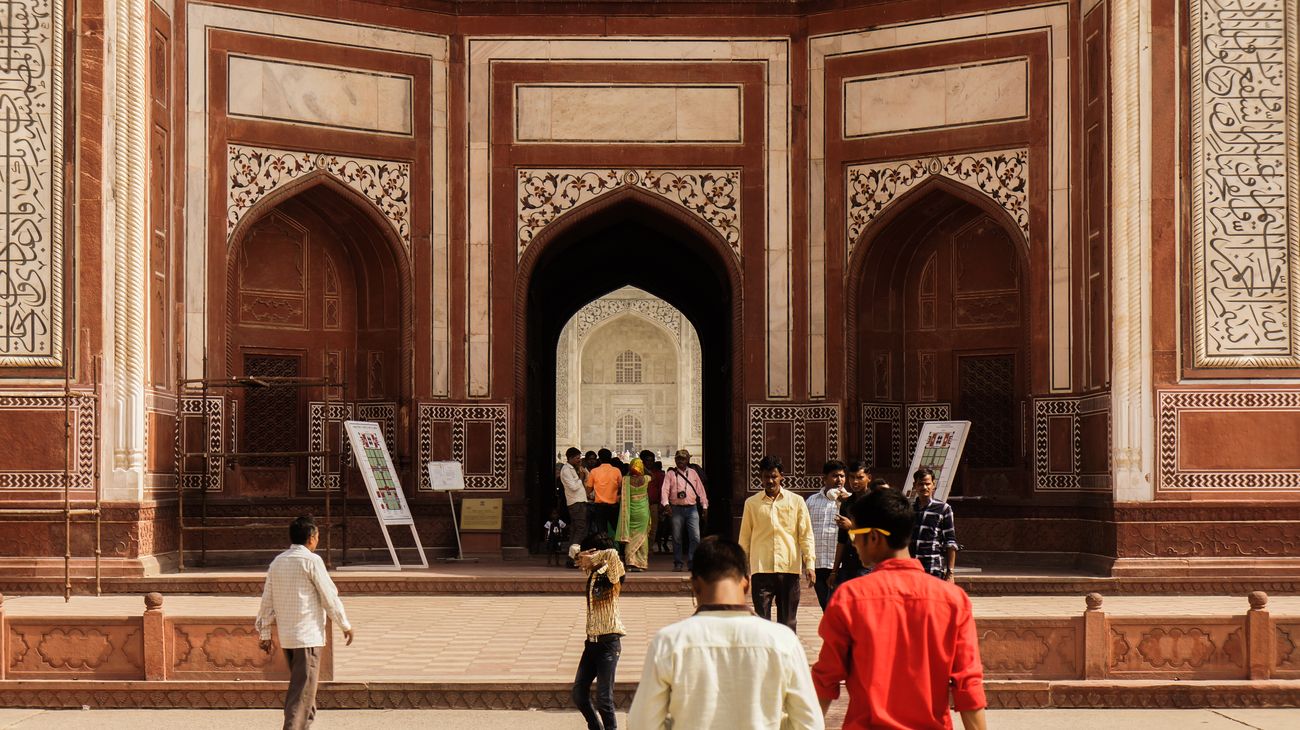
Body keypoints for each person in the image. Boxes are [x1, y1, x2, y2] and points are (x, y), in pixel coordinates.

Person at [812, 489, 986, 730]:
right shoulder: (953, 600)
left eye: (855, 536)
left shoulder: (850, 598)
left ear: (873, 537)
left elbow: (825, 678)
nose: (855, 544)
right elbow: (968, 685)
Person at [627, 537, 824, 730]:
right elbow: (809, 724)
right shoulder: (782, 641)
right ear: (746, 584)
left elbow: (642, 724)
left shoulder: (670, 642)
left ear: (695, 586)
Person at [255, 516, 355, 730]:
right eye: (317, 536)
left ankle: (304, 725)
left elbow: (267, 600)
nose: (317, 540)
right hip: (307, 637)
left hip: (288, 638)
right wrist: (344, 624)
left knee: (305, 690)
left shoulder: (278, 561)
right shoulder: (312, 561)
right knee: (301, 692)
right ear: (311, 538)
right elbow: (329, 595)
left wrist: (264, 633)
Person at [738, 455, 816, 632]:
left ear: (782, 476)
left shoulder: (796, 501)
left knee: (788, 623)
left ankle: (786, 658)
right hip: (761, 569)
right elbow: (745, 538)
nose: (770, 481)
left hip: (788, 569)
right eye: (766, 476)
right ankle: (764, 658)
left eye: (774, 476)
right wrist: (742, 568)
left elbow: (806, 534)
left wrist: (810, 564)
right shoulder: (751, 504)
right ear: (761, 477)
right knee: (761, 623)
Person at [573, 531, 626, 730]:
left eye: (589, 555)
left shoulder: (613, 571)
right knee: (579, 693)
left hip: (608, 643)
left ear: (596, 552)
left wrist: (592, 556)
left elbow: (612, 552)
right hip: (591, 643)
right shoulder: (594, 572)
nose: (584, 561)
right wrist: (583, 555)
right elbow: (577, 557)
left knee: (604, 698)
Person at [806, 459, 846, 610]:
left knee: (837, 607)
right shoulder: (811, 501)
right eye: (835, 476)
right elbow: (805, 531)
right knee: (826, 607)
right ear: (824, 478)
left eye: (842, 476)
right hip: (818, 563)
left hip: (839, 564)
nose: (839, 480)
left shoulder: (848, 500)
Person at [660, 449, 709, 572]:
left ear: (688, 460)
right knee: (676, 537)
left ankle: (692, 561)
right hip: (676, 509)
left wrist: (704, 506)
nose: (681, 461)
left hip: (691, 509)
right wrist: (666, 504)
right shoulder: (670, 474)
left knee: (695, 537)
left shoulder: (693, 473)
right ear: (675, 460)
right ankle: (678, 562)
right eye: (679, 459)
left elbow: (701, 491)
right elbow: (664, 490)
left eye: (683, 459)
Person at [910, 466, 959, 582]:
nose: (924, 487)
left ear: (933, 485)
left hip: (933, 568)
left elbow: (950, 542)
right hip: (911, 568)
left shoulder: (943, 509)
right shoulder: (908, 509)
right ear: (915, 486)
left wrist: (950, 573)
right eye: (921, 484)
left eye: (927, 484)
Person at [831, 460, 873, 591]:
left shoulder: (876, 501)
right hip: (848, 563)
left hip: (868, 564)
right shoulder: (846, 504)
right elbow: (842, 540)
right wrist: (834, 571)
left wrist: (852, 527)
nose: (855, 482)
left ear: (869, 478)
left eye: (860, 477)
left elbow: (878, 534)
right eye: (852, 477)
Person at [616, 457, 653, 571]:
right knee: (642, 537)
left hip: (630, 512)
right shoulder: (647, 478)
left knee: (631, 536)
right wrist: (644, 468)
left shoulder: (626, 480)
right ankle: (641, 564)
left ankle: (630, 563)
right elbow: (651, 474)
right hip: (643, 512)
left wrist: (629, 470)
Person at [560, 447, 590, 566]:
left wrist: (583, 472)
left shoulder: (575, 469)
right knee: (580, 530)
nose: (579, 460)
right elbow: (573, 487)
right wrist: (580, 478)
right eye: (577, 458)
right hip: (575, 503)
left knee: (575, 530)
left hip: (580, 502)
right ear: (570, 458)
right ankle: (573, 557)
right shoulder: (566, 470)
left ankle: (571, 558)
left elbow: (587, 478)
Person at [586, 448, 622, 538]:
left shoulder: (594, 471)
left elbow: (588, 490)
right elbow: (621, 487)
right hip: (613, 506)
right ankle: (621, 550)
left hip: (600, 507)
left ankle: (604, 550)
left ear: (599, 459)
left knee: (602, 531)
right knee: (617, 529)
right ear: (610, 458)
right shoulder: (616, 471)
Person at [640, 451, 665, 554]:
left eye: (651, 461)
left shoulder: (658, 474)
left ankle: (648, 547)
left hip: (653, 504)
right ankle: (641, 548)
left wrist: (661, 504)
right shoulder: (638, 474)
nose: (649, 463)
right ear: (643, 461)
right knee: (642, 527)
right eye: (647, 461)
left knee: (653, 528)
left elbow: (661, 490)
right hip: (640, 504)